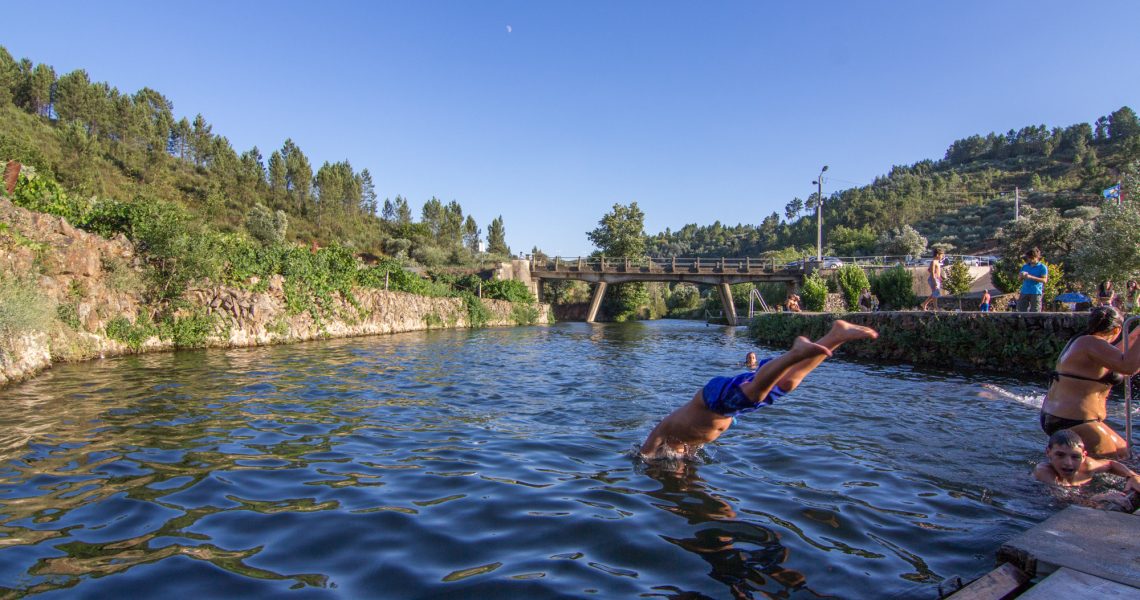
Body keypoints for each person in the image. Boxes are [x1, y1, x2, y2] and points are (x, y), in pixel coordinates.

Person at [640, 320, 879, 459]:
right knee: (787, 384)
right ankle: (836, 336)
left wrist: (645, 462)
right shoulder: (684, 446)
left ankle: (796, 352)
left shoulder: (661, 434)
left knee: (753, 394)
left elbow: (645, 456)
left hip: (713, 400)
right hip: (726, 408)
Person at [1040, 306, 1140, 458]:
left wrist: (1134, 336)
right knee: (1121, 464)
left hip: (1064, 417)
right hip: (1074, 420)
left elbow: (1123, 361)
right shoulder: (1090, 343)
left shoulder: (1084, 342)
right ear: (1116, 330)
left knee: (1125, 454)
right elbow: (1127, 366)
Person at [1033, 429, 1140, 512]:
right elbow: (1063, 499)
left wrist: (1132, 476)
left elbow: (1111, 464)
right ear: (1048, 452)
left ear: (1084, 456)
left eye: (1075, 457)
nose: (1068, 463)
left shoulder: (1088, 465)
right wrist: (1101, 497)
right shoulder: (1043, 472)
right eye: (1060, 455)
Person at [1017, 248, 1048, 312]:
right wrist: (1022, 276)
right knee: (1020, 311)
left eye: (1031, 258)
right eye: (1028, 258)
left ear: (1037, 257)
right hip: (1024, 291)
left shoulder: (1042, 267)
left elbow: (1044, 280)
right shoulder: (1025, 266)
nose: (1030, 260)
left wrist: (1030, 277)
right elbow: (1019, 279)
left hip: (1035, 292)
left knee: (1035, 312)